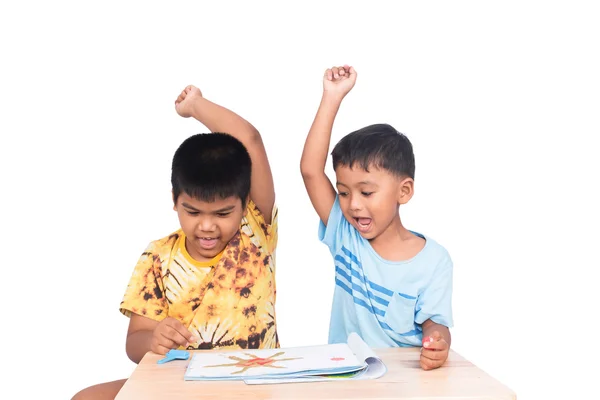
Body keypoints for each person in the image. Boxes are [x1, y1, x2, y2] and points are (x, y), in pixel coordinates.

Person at [72, 85, 278, 399]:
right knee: (86, 398)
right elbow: (135, 343)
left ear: (244, 204)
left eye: (223, 213)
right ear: (174, 200)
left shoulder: (254, 231)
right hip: (179, 386)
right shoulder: (158, 256)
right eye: (192, 211)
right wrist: (155, 337)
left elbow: (249, 139)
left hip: (252, 386)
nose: (207, 226)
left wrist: (195, 106)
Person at [300, 65, 453, 370]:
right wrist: (332, 97)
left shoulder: (435, 260)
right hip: (344, 378)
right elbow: (310, 171)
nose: (353, 205)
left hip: (406, 383)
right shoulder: (345, 236)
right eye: (343, 193)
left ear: (404, 191)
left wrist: (438, 342)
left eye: (366, 193)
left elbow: (436, 325)